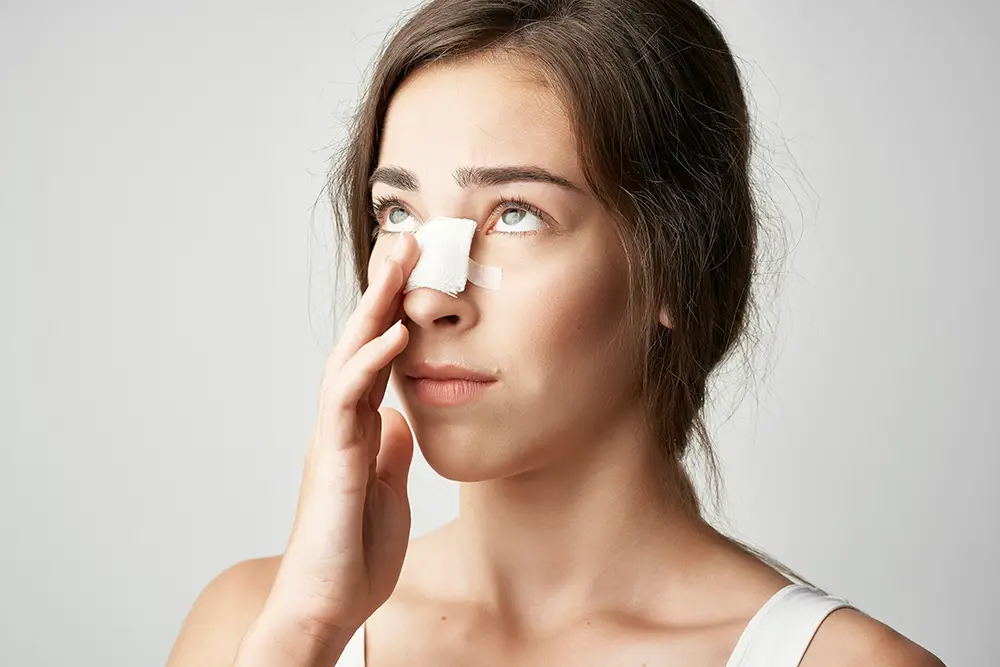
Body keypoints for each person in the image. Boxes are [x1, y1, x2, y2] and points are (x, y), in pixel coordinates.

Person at [166, 1, 946, 665]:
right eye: (397, 213)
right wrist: (305, 630)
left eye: (515, 214)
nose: (431, 293)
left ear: (672, 263)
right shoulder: (251, 625)